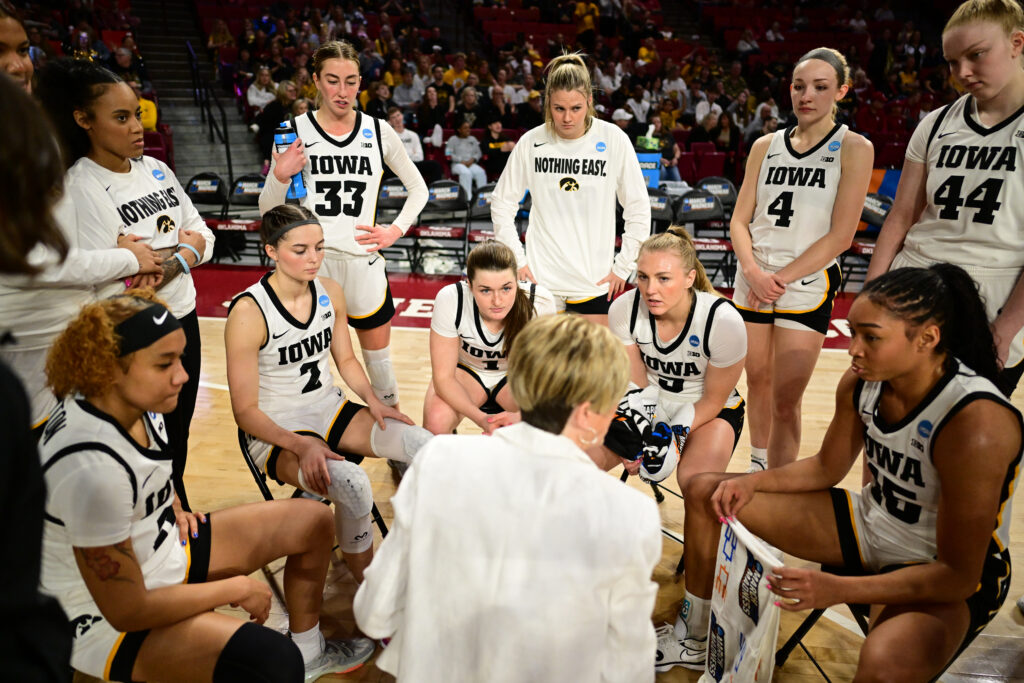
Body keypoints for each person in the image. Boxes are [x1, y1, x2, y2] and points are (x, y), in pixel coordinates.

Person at [660, 264, 1022, 679]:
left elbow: (959, 576)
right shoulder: (861, 382)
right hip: (871, 525)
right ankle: (695, 637)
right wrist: (751, 481)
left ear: (927, 339)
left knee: (884, 662)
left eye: (871, 337)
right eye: (852, 333)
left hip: (940, 567)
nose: (854, 349)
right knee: (707, 491)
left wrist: (836, 590)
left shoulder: (977, 423)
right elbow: (826, 468)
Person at [40, 289, 377, 682]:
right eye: (165, 364)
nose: (183, 375)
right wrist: (233, 589)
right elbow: (127, 609)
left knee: (313, 522)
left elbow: (151, 469)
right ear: (109, 368)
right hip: (99, 615)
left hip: (159, 549)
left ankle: (311, 652)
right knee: (269, 662)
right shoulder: (89, 469)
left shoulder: (132, 400)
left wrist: (175, 504)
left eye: (180, 358)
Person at [354, 314, 662, 681]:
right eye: (615, 404)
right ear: (587, 414)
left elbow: (375, 611)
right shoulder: (631, 513)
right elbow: (628, 664)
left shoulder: (439, 460)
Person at [37, 58, 214, 512]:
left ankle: (178, 505)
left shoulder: (157, 170)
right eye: (121, 117)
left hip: (184, 317)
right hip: (135, 332)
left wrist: (168, 261)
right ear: (84, 120)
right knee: (145, 433)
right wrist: (180, 251)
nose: (137, 126)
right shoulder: (82, 185)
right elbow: (117, 277)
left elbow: (204, 236)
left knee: (179, 429)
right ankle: (162, 516)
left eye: (137, 113)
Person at [226, 204, 432, 581]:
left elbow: (347, 361)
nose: (314, 259)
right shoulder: (248, 311)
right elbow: (245, 412)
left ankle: (429, 555)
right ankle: (371, 596)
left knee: (423, 444)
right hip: (277, 429)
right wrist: (300, 445)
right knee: (354, 485)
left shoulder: (330, 291)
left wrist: (375, 402)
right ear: (270, 250)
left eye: (319, 247)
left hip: (329, 410)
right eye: (300, 250)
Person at [866, 0, 1024, 397]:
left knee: (967, 446)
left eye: (976, 55)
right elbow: (900, 219)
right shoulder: (936, 123)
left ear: (1017, 43)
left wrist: (1005, 330)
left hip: (995, 292)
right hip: (916, 279)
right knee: (883, 428)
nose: (962, 73)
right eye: (953, 62)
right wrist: (870, 298)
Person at [260, 40, 428, 408]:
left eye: (351, 81)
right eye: (333, 80)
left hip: (362, 261)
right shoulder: (294, 130)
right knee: (313, 363)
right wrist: (279, 175)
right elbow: (268, 209)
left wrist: (394, 230)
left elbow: (419, 189)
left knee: (379, 366)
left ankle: (396, 441)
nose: (343, 91)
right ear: (316, 80)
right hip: (312, 266)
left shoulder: (378, 130)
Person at [730, 48, 873, 471]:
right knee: (756, 380)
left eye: (820, 87)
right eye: (798, 86)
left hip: (805, 284)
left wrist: (777, 279)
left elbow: (842, 235)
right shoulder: (764, 145)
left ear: (841, 91)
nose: (806, 95)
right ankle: (758, 467)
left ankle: (775, 484)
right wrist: (755, 273)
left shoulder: (854, 147)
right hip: (753, 277)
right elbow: (739, 221)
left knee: (786, 399)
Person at [491, 53, 651, 325]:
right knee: (537, 367)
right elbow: (502, 203)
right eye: (558, 109)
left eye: (576, 108)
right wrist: (518, 260)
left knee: (591, 368)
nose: (567, 118)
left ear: (589, 100)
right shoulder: (532, 142)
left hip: (595, 282)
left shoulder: (613, 139)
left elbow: (637, 208)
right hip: (540, 282)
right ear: (547, 104)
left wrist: (624, 267)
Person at [591, 228, 746, 492]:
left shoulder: (723, 322)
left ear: (689, 278)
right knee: (581, 462)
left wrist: (673, 437)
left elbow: (713, 400)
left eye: (663, 278)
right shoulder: (624, 309)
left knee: (697, 484)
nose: (651, 290)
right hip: (648, 402)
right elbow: (638, 385)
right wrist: (647, 431)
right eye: (643, 277)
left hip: (708, 410)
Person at [424, 240, 556, 435]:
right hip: (467, 373)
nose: (497, 300)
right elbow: (443, 378)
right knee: (435, 423)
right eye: (485, 290)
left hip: (515, 377)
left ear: (517, 281)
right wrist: (482, 419)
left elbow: (548, 380)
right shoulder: (452, 299)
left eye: (506, 288)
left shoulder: (539, 302)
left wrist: (523, 418)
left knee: (548, 425)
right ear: (469, 284)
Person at [386, 106, 441, 185]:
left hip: (413, 165)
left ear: (402, 116)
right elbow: (392, 158)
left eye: (398, 115)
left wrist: (404, 155)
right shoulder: (389, 136)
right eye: (393, 117)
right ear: (390, 121)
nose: (397, 119)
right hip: (397, 167)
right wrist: (411, 153)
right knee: (386, 168)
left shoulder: (413, 135)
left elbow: (420, 157)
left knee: (435, 165)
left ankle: (431, 192)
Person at [446, 119, 488, 199]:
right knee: (466, 173)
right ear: (459, 130)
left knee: (481, 172)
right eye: (465, 128)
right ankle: (467, 199)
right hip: (458, 164)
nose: (468, 130)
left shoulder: (473, 139)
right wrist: (460, 160)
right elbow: (448, 154)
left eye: (469, 127)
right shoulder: (452, 139)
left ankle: (482, 198)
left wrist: (473, 159)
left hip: (471, 163)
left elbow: (478, 152)